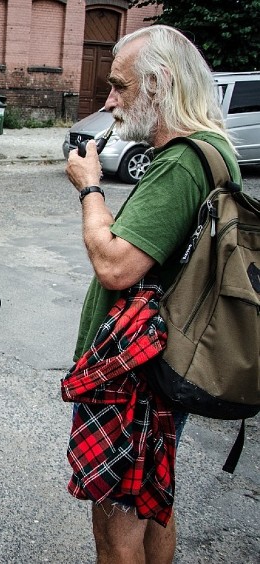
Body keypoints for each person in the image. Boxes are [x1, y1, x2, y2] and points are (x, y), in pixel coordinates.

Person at [64, 25, 240, 563]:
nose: (110, 100)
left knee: (116, 531)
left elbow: (115, 265)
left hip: (134, 376)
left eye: (120, 86)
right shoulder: (216, 150)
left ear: (159, 84)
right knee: (152, 503)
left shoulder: (181, 161)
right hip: (164, 366)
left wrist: (90, 186)